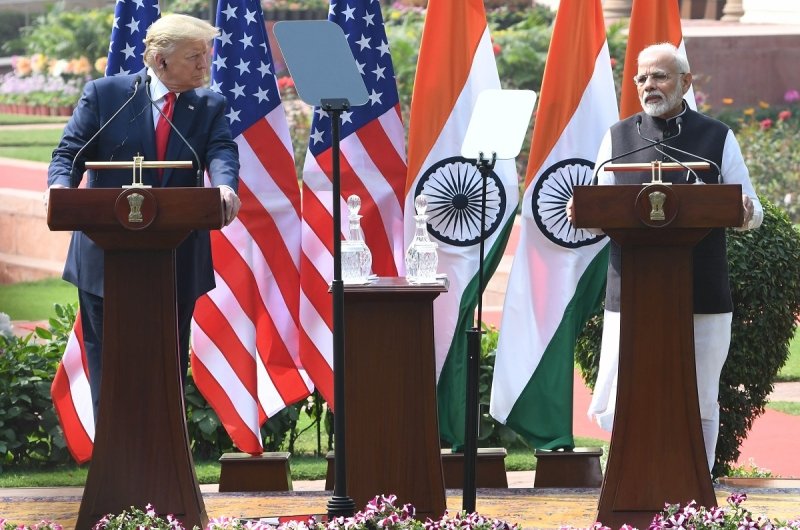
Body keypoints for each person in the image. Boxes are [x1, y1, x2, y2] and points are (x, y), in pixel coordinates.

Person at [567, 42, 762, 472]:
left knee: (700, 395)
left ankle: (696, 490)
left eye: (659, 76)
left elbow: (751, 206)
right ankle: (630, 483)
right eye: (642, 77)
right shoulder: (618, 138)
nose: (649, 85)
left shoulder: (716, 136)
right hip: (632, 295)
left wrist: (746, 211)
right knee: (628, 394)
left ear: (686, 82)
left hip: (701, 292)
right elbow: (600, 208)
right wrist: (583, 213)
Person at [46, 13, 241, 418]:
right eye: (195, 57)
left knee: (167, 361)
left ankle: (164, 462)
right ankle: (112, 466)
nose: (206, 65)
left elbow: (222, 151)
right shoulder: (105, 96)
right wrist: (62, 188)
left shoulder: (209, 104)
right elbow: (69, 153)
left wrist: (224, 187)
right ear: (159, 59)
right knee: (110, 361)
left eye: (206, 55)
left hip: (177, 256)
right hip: (106, 257)